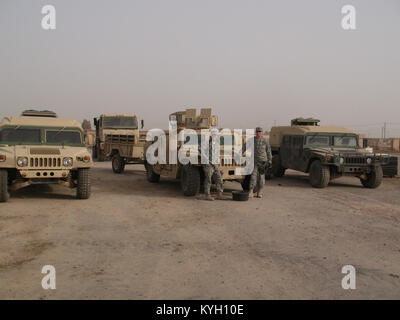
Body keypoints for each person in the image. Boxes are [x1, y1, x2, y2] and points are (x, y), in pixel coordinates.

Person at [248, 127, 272, 198]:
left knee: (261, 178)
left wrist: (270, 160)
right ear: (256, 133)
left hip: (263, 162)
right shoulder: (252, 140)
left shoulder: (265, 141)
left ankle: (259, 192)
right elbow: (245, 146)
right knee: (253, 177)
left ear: (262, 133)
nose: (258, 133)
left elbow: (268, 151)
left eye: (260, 132)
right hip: (254, 161)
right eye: (257, 132)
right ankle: (251, 192)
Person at [201, 128, 224, 201]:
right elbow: (201, 150)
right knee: (208, 179)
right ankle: (207, 195)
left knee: (219, 178)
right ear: (211, 136)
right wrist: (206, 158)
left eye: (216, 135)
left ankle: (219, 194)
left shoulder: (217, 144)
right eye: (214, 135)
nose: (215, 137)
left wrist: (218, 159)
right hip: (208, 164)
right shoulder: (206, 143)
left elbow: (217, 154)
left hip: (215, 164)